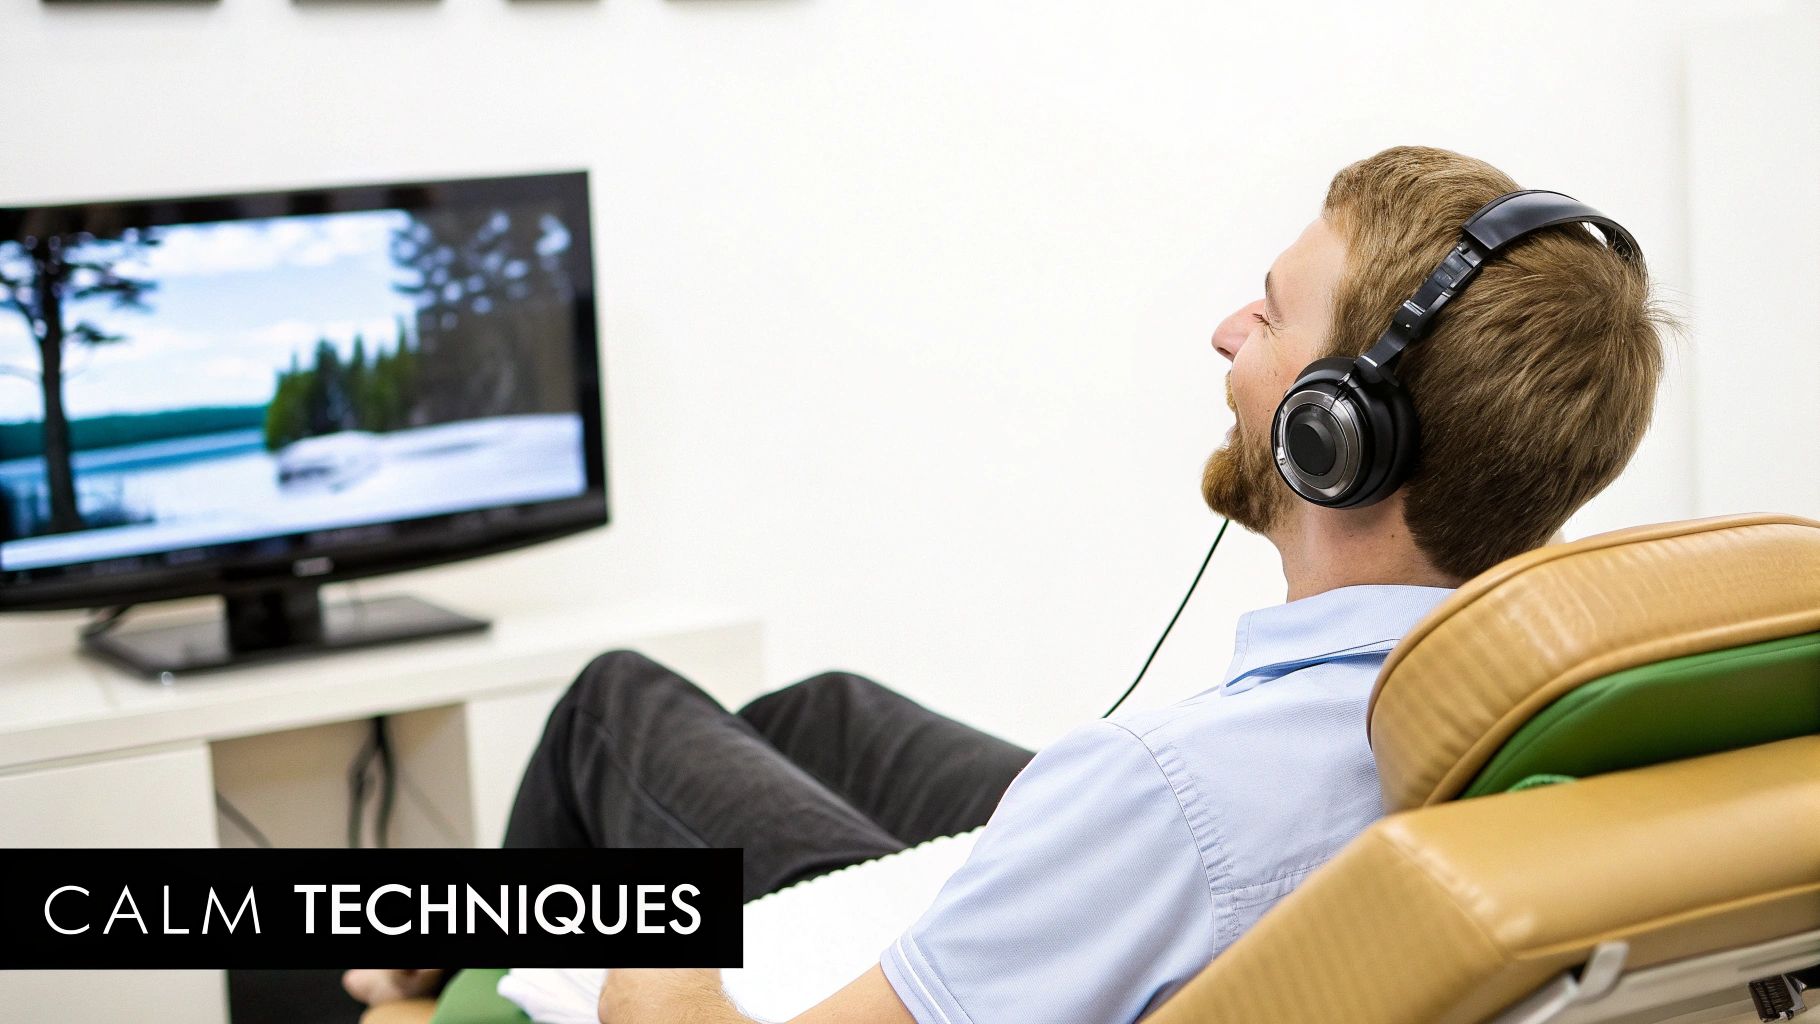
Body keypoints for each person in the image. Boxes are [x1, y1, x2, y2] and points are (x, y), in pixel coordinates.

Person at [346, 145, 1673, 1023]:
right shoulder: (1567, 701)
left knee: (615, 708)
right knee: (825, 714)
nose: (1225, 331)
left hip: (1156, 872)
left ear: (1341, 432)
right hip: (1230, 865)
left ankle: (430, 983)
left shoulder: (1159, 795)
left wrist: (636, 977)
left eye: (1270, 315)